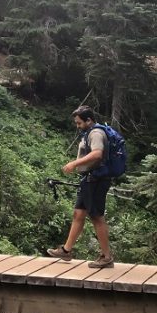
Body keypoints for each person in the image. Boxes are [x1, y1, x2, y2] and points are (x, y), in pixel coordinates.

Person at [47, 106, 115, 269]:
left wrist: (74, 163)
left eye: (79, 123)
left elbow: (97, 153)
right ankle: (66, 250)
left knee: (96, 217)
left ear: (89, 120)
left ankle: (106, 257)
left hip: (96, 180)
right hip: (88, 180)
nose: (77, 126)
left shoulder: (96, 133)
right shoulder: (89, 133)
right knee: (79, 213)